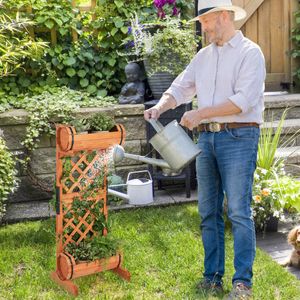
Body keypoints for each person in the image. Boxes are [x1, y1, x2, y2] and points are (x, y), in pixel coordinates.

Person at [144, 1, 266, 299]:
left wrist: (200, 114)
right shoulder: (203, 56)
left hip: (239, 138)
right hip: (207, 141)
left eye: (205, 21)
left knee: (238, 212)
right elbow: (182, 87)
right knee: (207, 212)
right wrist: (160, 106)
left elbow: (242, 102)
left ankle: (242, 284)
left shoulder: (251, 53)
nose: (203, 27)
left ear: (222, 17)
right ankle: (212, 277)